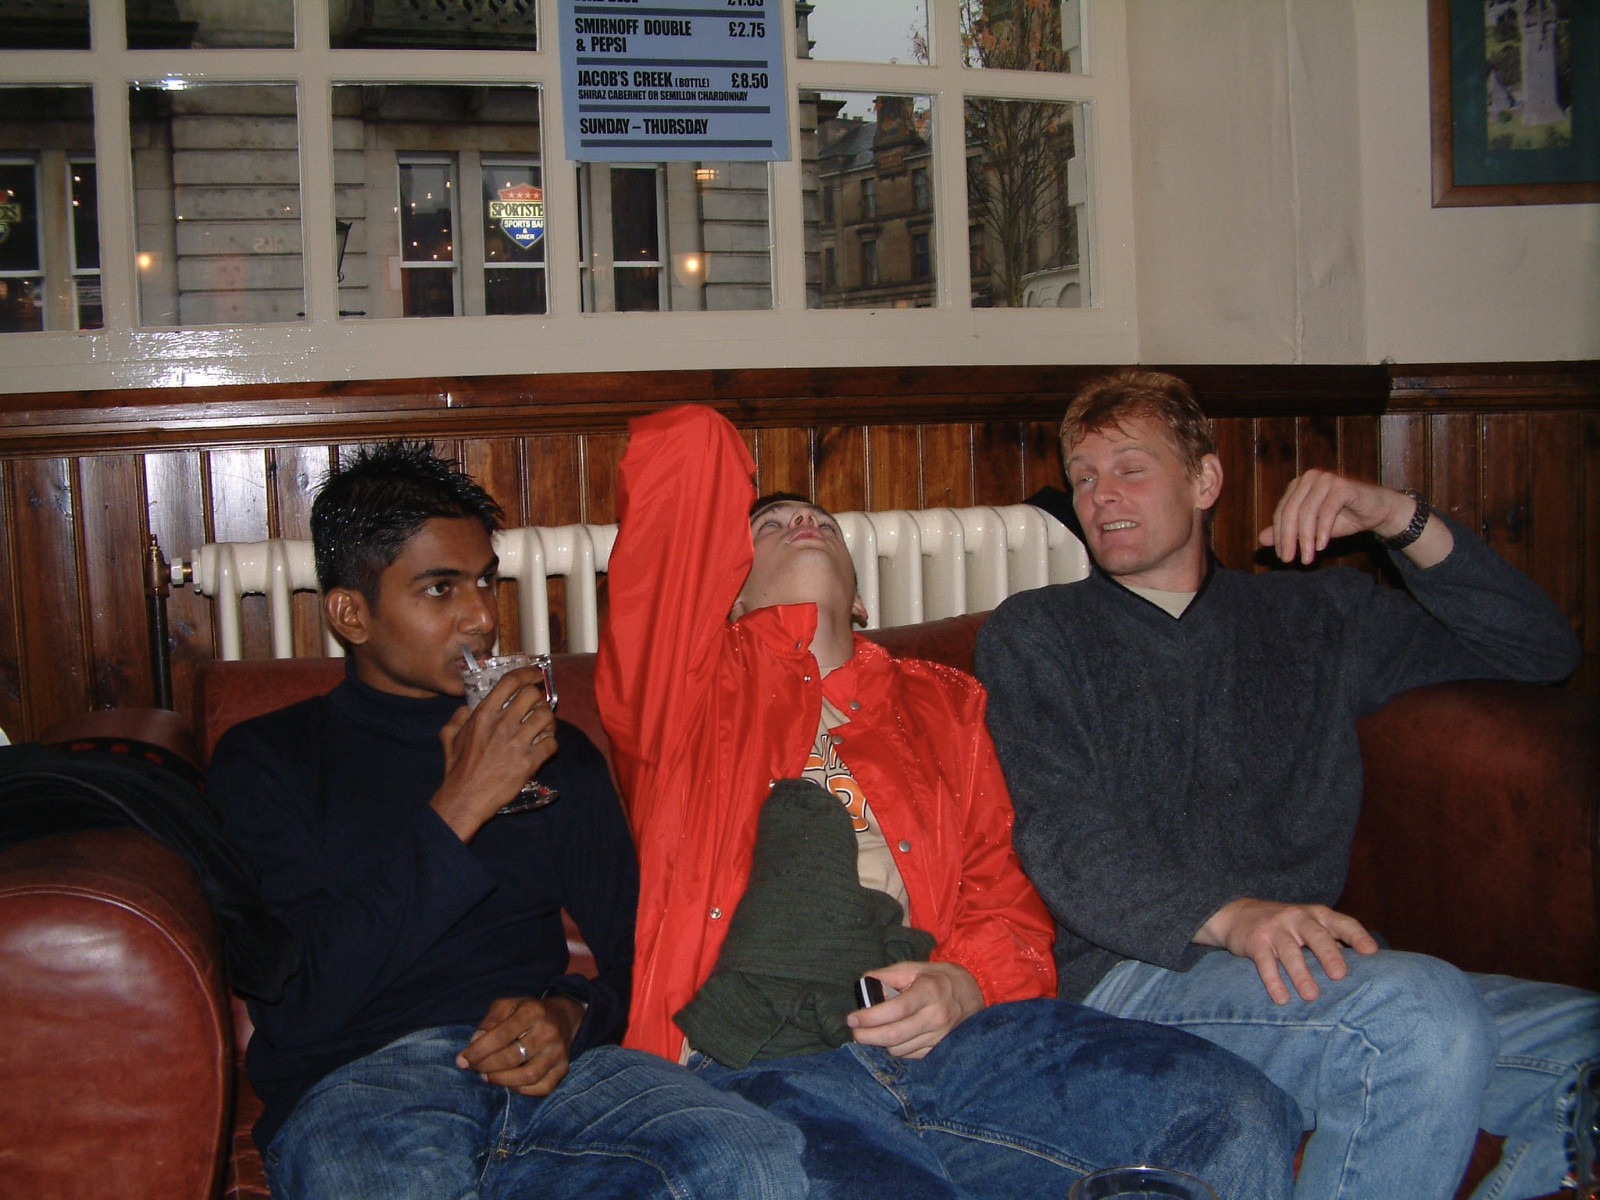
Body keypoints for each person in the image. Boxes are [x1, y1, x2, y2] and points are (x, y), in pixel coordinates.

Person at [594, 403, 1302, 1200]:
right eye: (771, 526)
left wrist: (967, 982)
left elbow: (1005, 900)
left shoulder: (946, 706)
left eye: (822, 523)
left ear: (861, 604)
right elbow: (686, 456)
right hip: (762, 1065)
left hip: (950, 1052)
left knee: (1232, 1113)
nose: (803, 523)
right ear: (722, 591)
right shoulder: (683, 697)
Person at [974, 368, 1600, 1200]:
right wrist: (1231, 916)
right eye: (1083, 476)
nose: (1101, 494)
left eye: (1130, 467)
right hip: (1135, 974)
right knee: (1417, 1013)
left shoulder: (1317, 616)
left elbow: (1540, 651)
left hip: (1307, 975)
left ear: (1205, 480)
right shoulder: (1038, 631)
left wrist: (1399, 518)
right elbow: (1060, 832)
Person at [208, 440, 809, 1200]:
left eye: (486, 582)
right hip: (367, 1090)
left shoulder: (551, 749)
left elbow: (642, 957)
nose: (482, 617)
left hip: (563, 1082)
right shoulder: (270, 758)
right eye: (439, 589)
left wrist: (569, 1012)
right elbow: (298, 1006)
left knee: (752, 1160)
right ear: (351, 613)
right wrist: (463, 801)